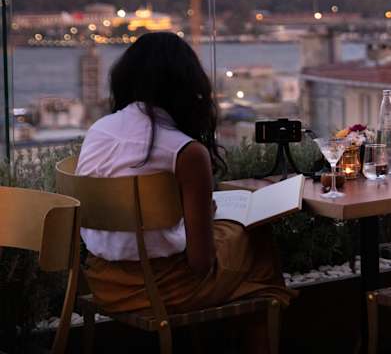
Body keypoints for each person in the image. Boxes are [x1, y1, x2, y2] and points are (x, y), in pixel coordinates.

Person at [76, 32, 292, 341]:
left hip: (103, 282)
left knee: (237, 245)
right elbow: (201, 263)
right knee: (257, 243)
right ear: (189, 87)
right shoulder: (185, 152)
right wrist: (209, 218)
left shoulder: (99, 132)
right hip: (160, 289)